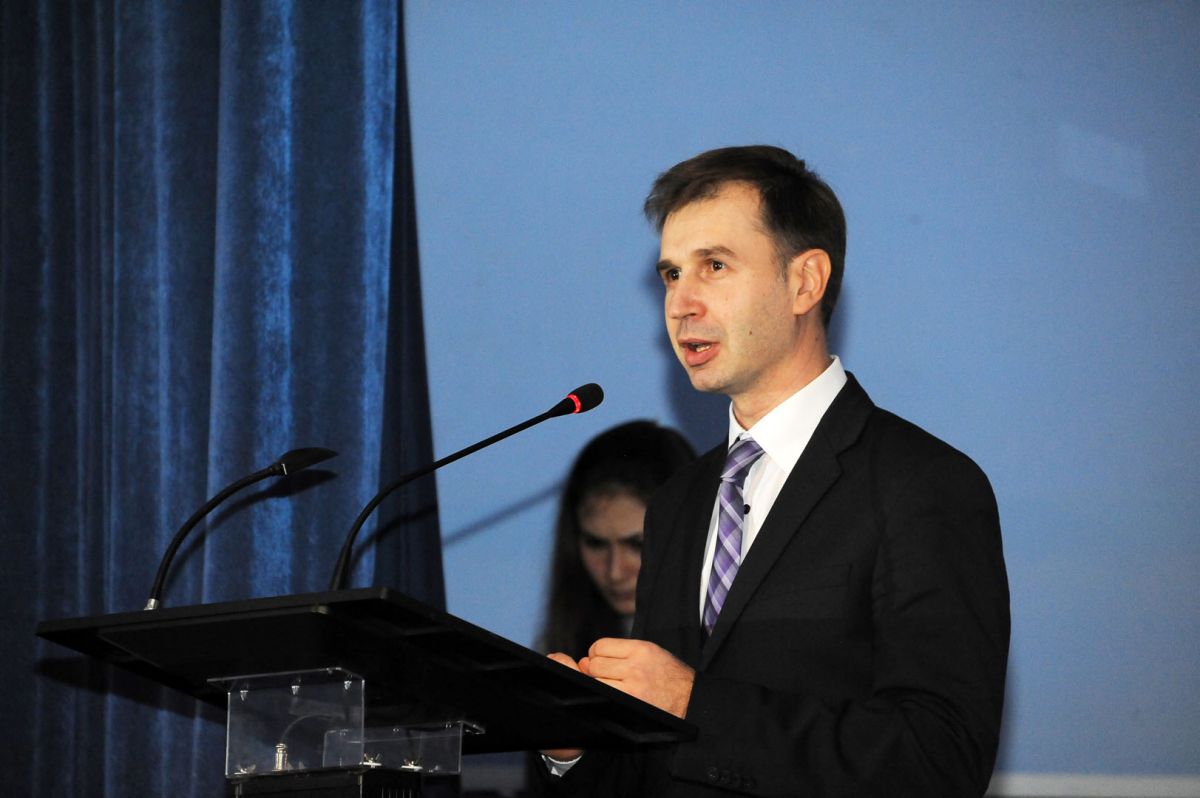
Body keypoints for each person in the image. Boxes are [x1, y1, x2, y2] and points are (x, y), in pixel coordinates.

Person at [536, 145, 1010, 797]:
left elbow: (940, 758)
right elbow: (657, 762)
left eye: (715, 266)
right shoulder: (678, 501)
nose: (680, 304)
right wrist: (573, 748)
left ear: (805, 282)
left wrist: (693, 702)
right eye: (671, 274)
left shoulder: (922, 485)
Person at [539, 420, 697, 660]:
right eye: (596, 543)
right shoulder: (562, 645)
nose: (615, 572)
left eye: (638, 545)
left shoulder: (741, 638)